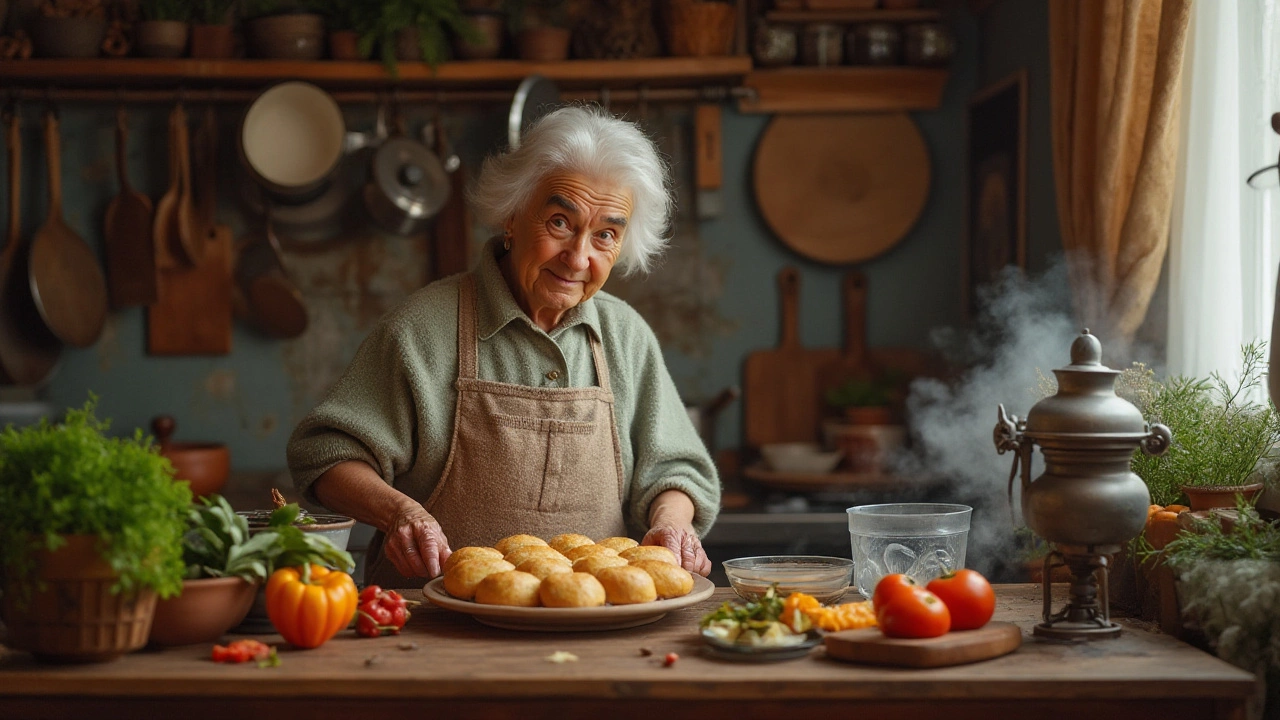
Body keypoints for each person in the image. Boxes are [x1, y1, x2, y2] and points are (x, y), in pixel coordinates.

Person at [287, 106, 720, 588]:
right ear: (513, 215)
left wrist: (673, 523)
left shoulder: (626, 337)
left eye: (605, 235)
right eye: (560, 222)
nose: (578, 258)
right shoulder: (423, 328)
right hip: (435, 629)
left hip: (594, 632)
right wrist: (399, 513)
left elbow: (675, 470)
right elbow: (326, 454)